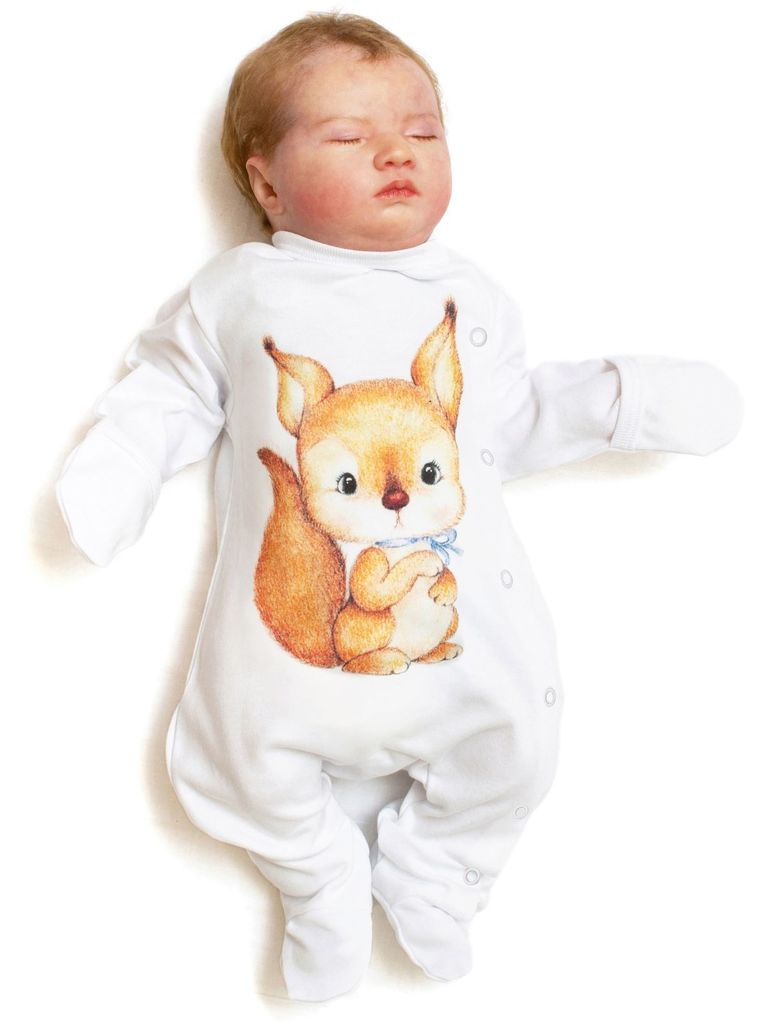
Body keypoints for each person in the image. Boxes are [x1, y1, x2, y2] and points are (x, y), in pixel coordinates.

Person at [55, 11, 744, 1004]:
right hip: (292, 651)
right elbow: (166, 392)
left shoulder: (472, 297)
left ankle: (440, 865)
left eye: (423, 132)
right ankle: (316, 874)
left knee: (519, 743)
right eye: (349, 136)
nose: (396, 152)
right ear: (266, 184)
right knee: (233, 757)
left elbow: (503, 427)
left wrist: (620, 400)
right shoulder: (240, 290)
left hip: (463, 637)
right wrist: (117, 469)